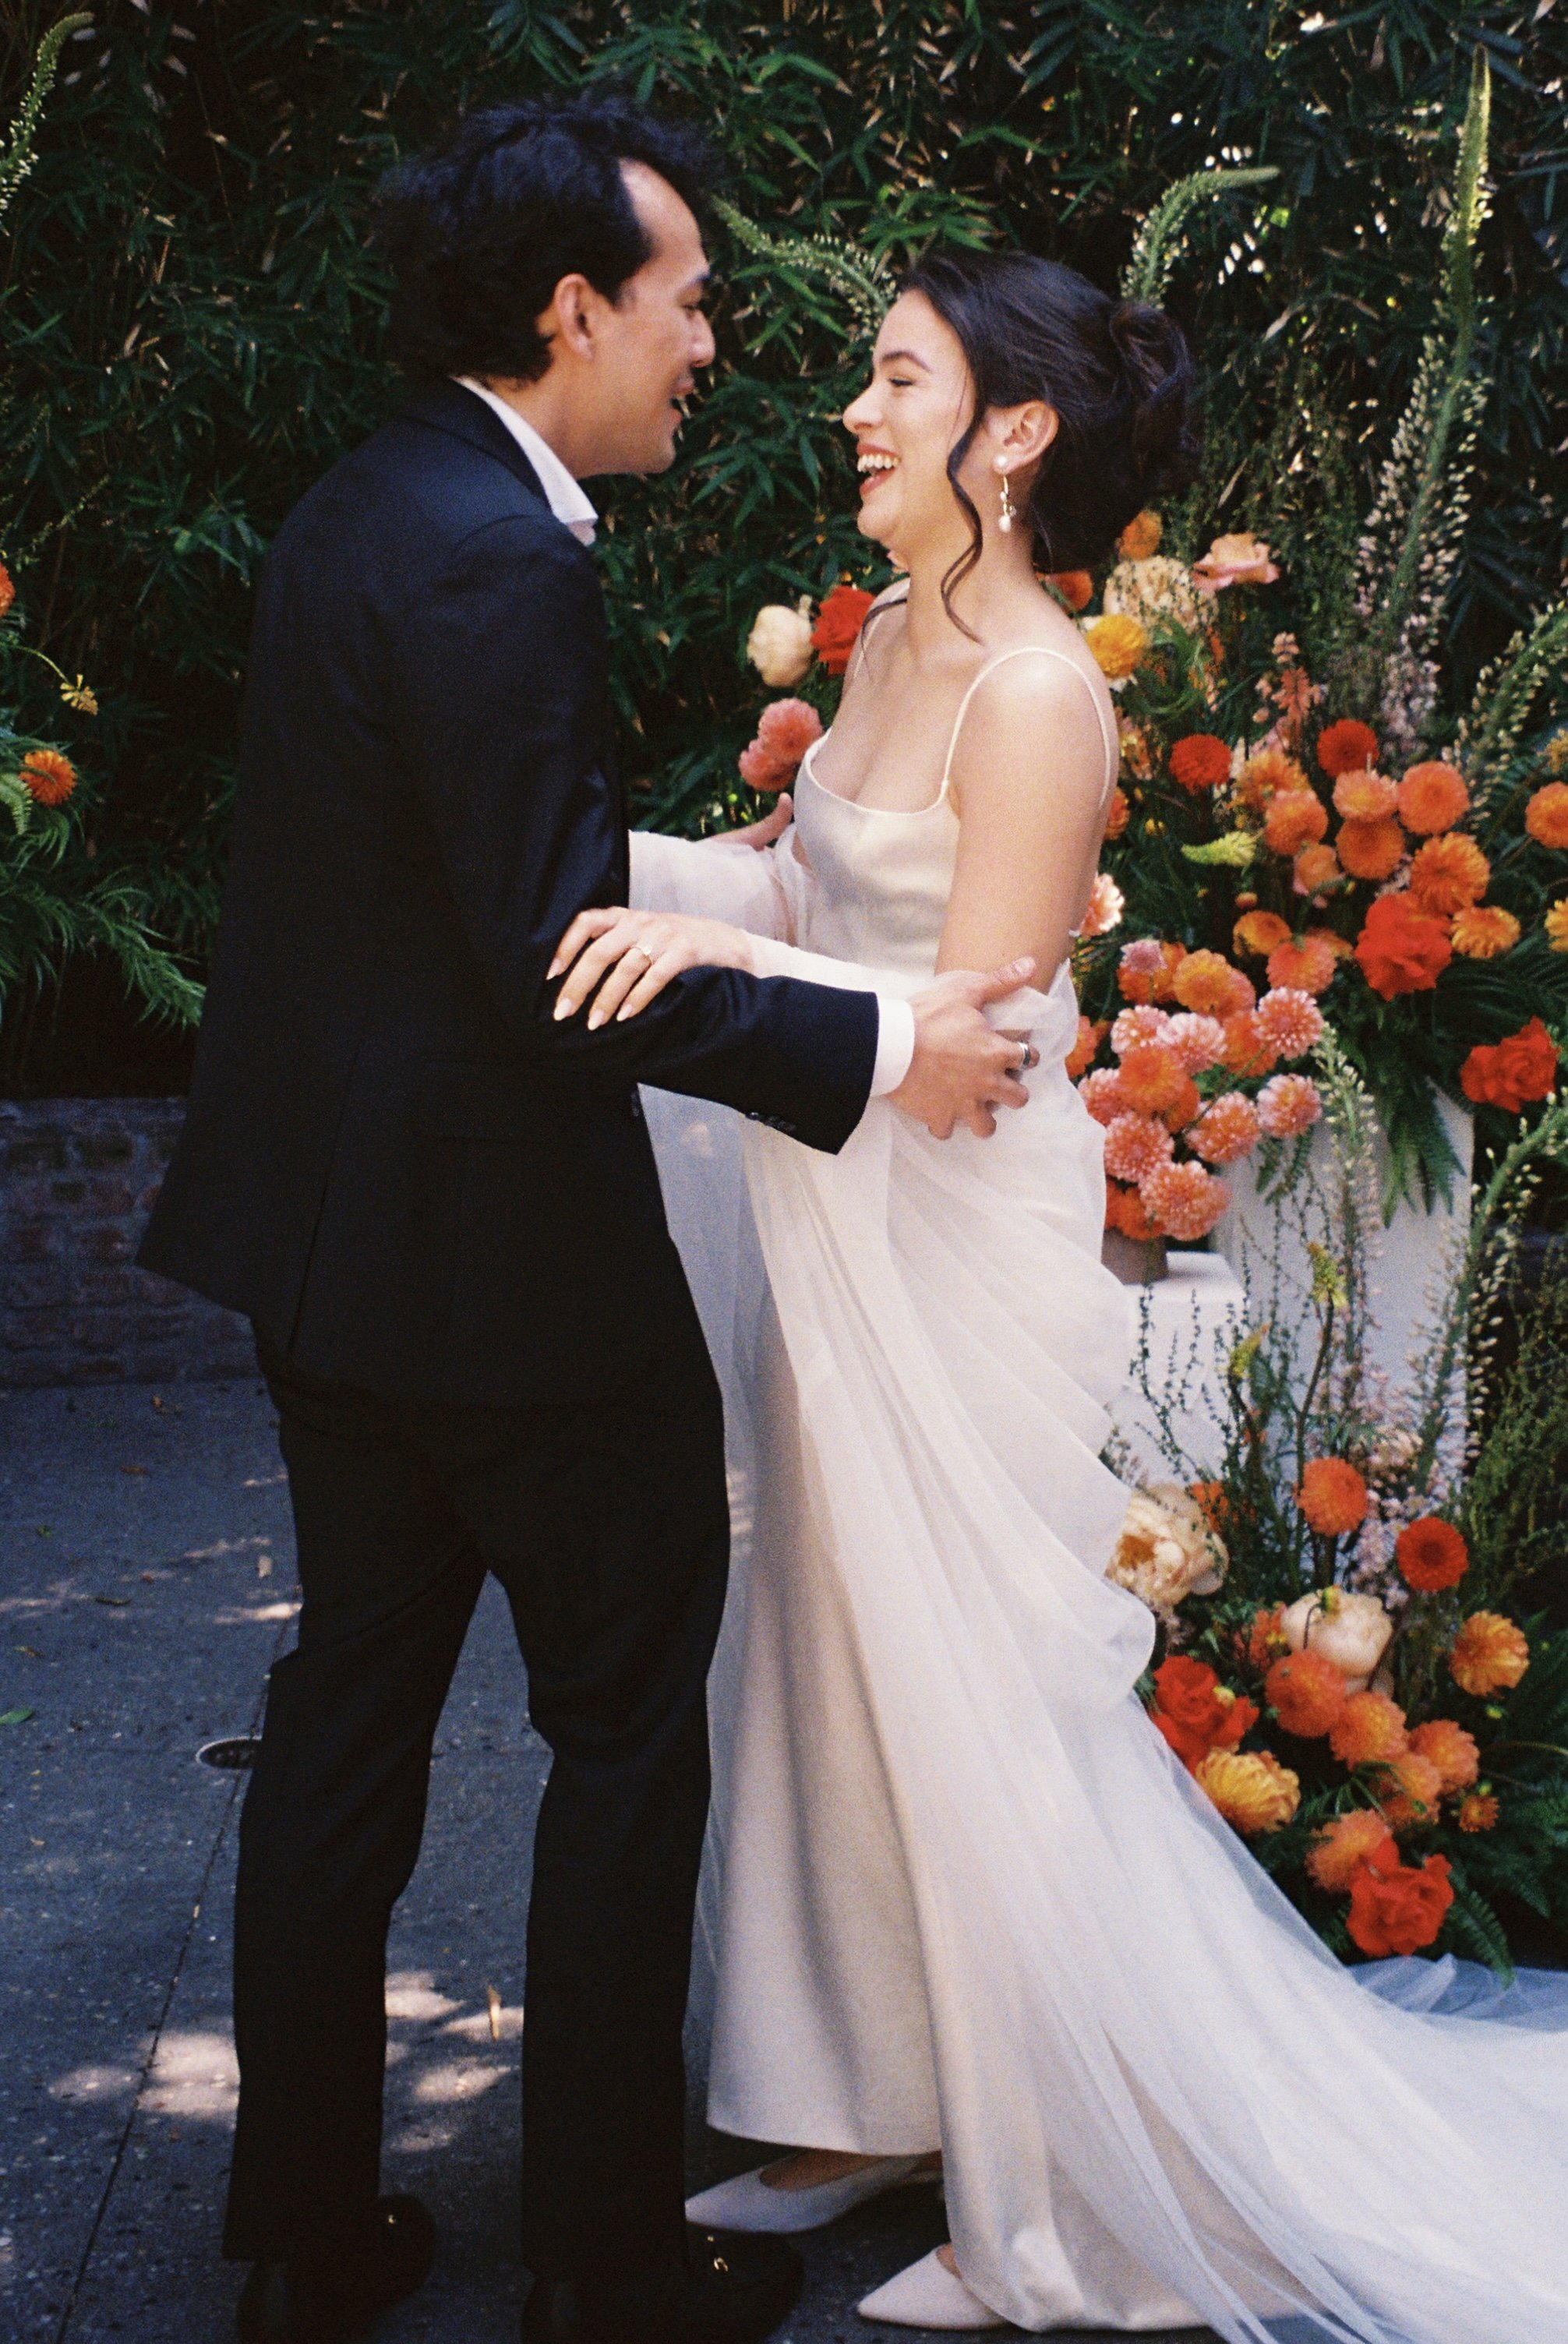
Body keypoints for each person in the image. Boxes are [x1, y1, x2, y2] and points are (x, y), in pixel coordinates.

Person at [552, 248, 1568, 2341]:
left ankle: (1066, 2179)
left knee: (971, 1670)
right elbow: (807, 878)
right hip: (826, 1198)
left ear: (1009, 434)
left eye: (895, 375)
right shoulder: (902, 635)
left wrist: (721, 976)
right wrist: (598, 881)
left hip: (941, 1207)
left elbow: (980, 1019)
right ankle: (862, 2091)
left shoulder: (1031, 688)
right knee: (829, 1643)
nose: (851, 404)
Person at [139, 97, 1037, 2344]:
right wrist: (867, 1051)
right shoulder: (501, 552)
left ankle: (302, 2245)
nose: (710, 346)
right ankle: (609, 2263)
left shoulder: (370, 499)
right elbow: (553, 959)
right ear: (574, 312)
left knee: (345, 1723)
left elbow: (444, 887)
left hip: (325, 1253)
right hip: (514, 1283)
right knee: (627, 1732)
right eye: (688, 302)